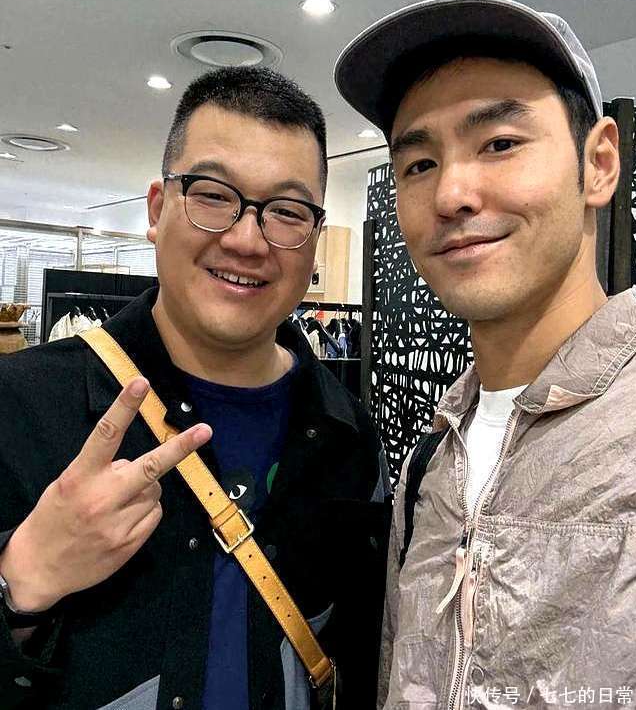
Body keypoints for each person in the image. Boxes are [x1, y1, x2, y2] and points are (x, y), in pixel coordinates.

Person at [0, 67, 390, 710]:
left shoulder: (346, 432)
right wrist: (22, 580)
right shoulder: (21, 405)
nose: (246, 239)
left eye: (287, 212)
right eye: (212, 195)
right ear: (158, 210)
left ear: (313, 240)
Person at [335, 0, 636, 707]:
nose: (451, 193)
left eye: (499, 143)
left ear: (599, 163)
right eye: (418, 163)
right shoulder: (430, 460)